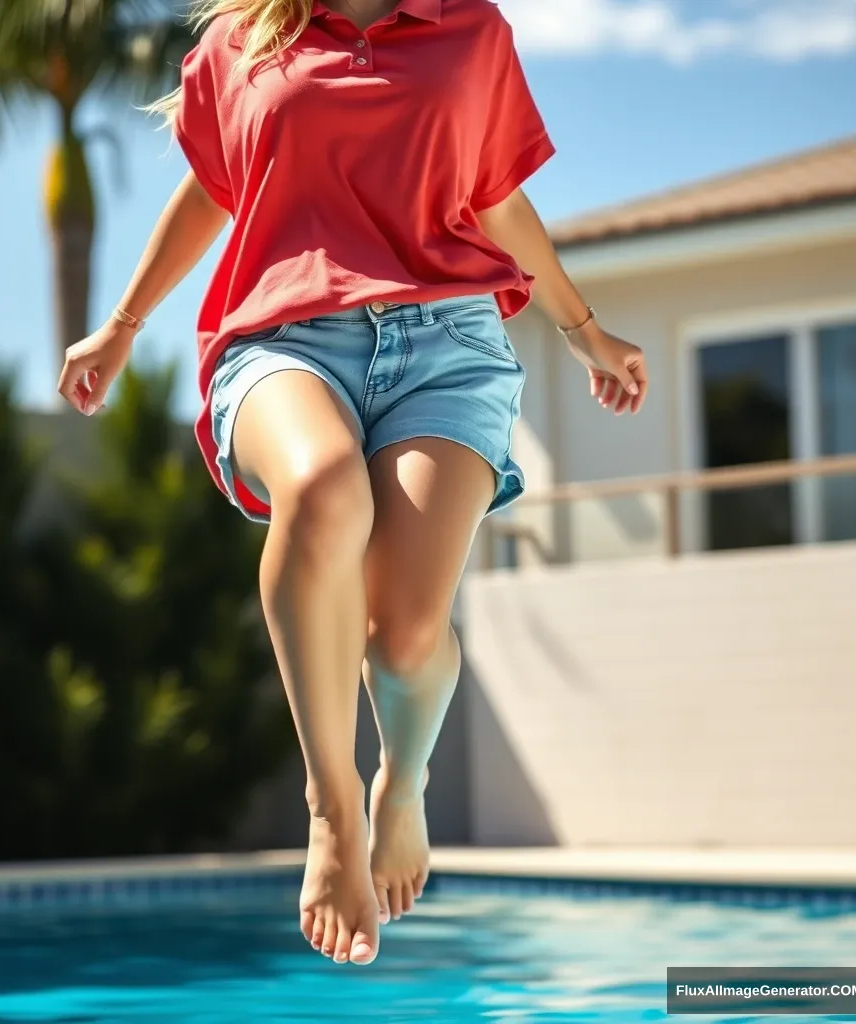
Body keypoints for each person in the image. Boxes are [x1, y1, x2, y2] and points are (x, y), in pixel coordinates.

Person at [57, 0, 647, 967]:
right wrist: (120, 327)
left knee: (405, 633)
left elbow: (496, 195)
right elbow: (212, 189)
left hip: (448, 345)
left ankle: (398, 785)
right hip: (282, 340)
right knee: (325, 483)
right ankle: (332, 805)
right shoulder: (241, 40)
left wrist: (587, 329)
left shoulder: (472, 30)